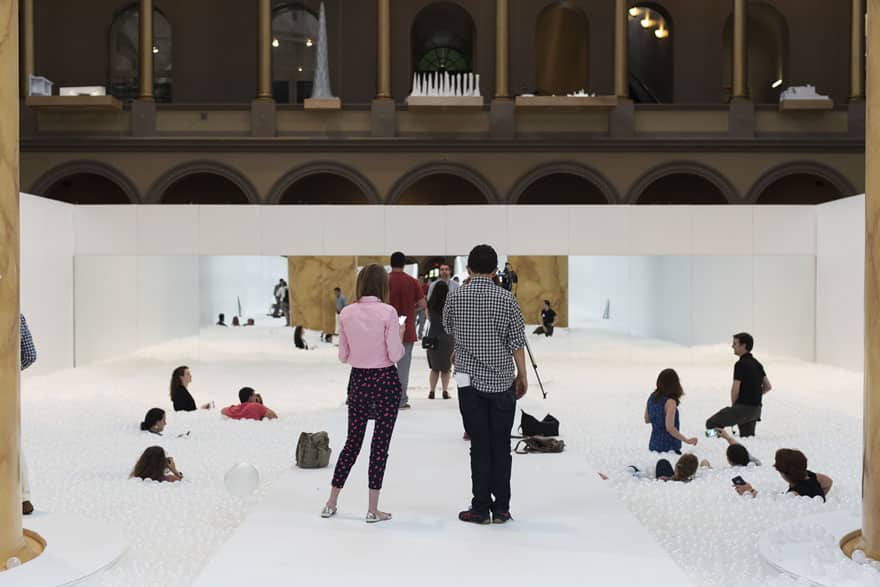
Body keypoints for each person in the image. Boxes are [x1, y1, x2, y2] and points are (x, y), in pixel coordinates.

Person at [443, 244, 528, 525]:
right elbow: (517, 342)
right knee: (500, 445)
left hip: (468, 382)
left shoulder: (456, 297)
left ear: (468, 269)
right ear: (495, 271)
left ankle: (479, 507)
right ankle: (501, 508)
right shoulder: (507, 300)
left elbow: (448, 328)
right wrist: (522, 375)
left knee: (479, 444)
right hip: (503, 380)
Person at [322, 264, 405, 524]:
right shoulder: (388, 312)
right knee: (380, 445)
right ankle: (372, 508)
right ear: (383, 285)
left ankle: (331, 502)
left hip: (358, 380)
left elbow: (343, 355)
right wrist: (400, 336)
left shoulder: (346, 313)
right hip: (385, 381)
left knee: (352, 442)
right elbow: (395, 355)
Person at [706, 333, 772, 437]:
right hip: (755, 411)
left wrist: (735, 409)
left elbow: (735, 389)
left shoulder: (740, 364)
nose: (732, 346)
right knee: (747, 437)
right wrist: (755, 395)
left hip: (742, 409)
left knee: (710, 424)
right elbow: (768, 386)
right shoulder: (757, 364)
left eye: (735, 343)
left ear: (743, 345)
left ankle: (718, 437)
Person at [388, 251, 426, 410]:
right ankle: (401, 400)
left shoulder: (385, 280)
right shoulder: (412, 281)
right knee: (403, 367)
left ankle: (385, 398)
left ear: (391, 263)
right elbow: (423, 304)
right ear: (404, 264)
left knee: (385, 367)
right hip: (407, 328)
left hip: (387, 329)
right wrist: (412, 309)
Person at [734, 449, 832, 500]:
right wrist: (819, 499)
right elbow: (828, 482)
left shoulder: (794, 495)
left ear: (782, 473)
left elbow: (774, 504)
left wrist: (749, 492)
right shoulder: (813, 476)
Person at [645, 368, 698, 453]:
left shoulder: (652, 397)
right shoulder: (670, 402)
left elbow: (647, 419)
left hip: (653, 445)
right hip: (669, 447)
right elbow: (670, 428)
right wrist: (687, 440)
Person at [426, 281, 454, 400]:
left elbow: (428, 318)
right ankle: (445, 391)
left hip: (433, 336)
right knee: (446, 368)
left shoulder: (430, 304)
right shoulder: (450, 304)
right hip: (447, 338)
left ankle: (432, 391)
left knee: (434, 368)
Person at [20, 314, 37, 515]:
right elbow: (30, 355)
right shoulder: (15, 313)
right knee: (11, 442)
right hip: (5, 386)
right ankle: (23, 498)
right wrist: (10, 370)